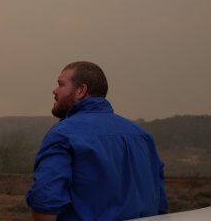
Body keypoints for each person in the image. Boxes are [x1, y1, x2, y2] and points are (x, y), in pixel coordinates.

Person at [26, 61, 168, 221]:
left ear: (81, 90)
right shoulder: (143, 137)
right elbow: (160, 205)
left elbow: (45, 200)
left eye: (61, 85)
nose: (55, 91)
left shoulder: (64, 134)